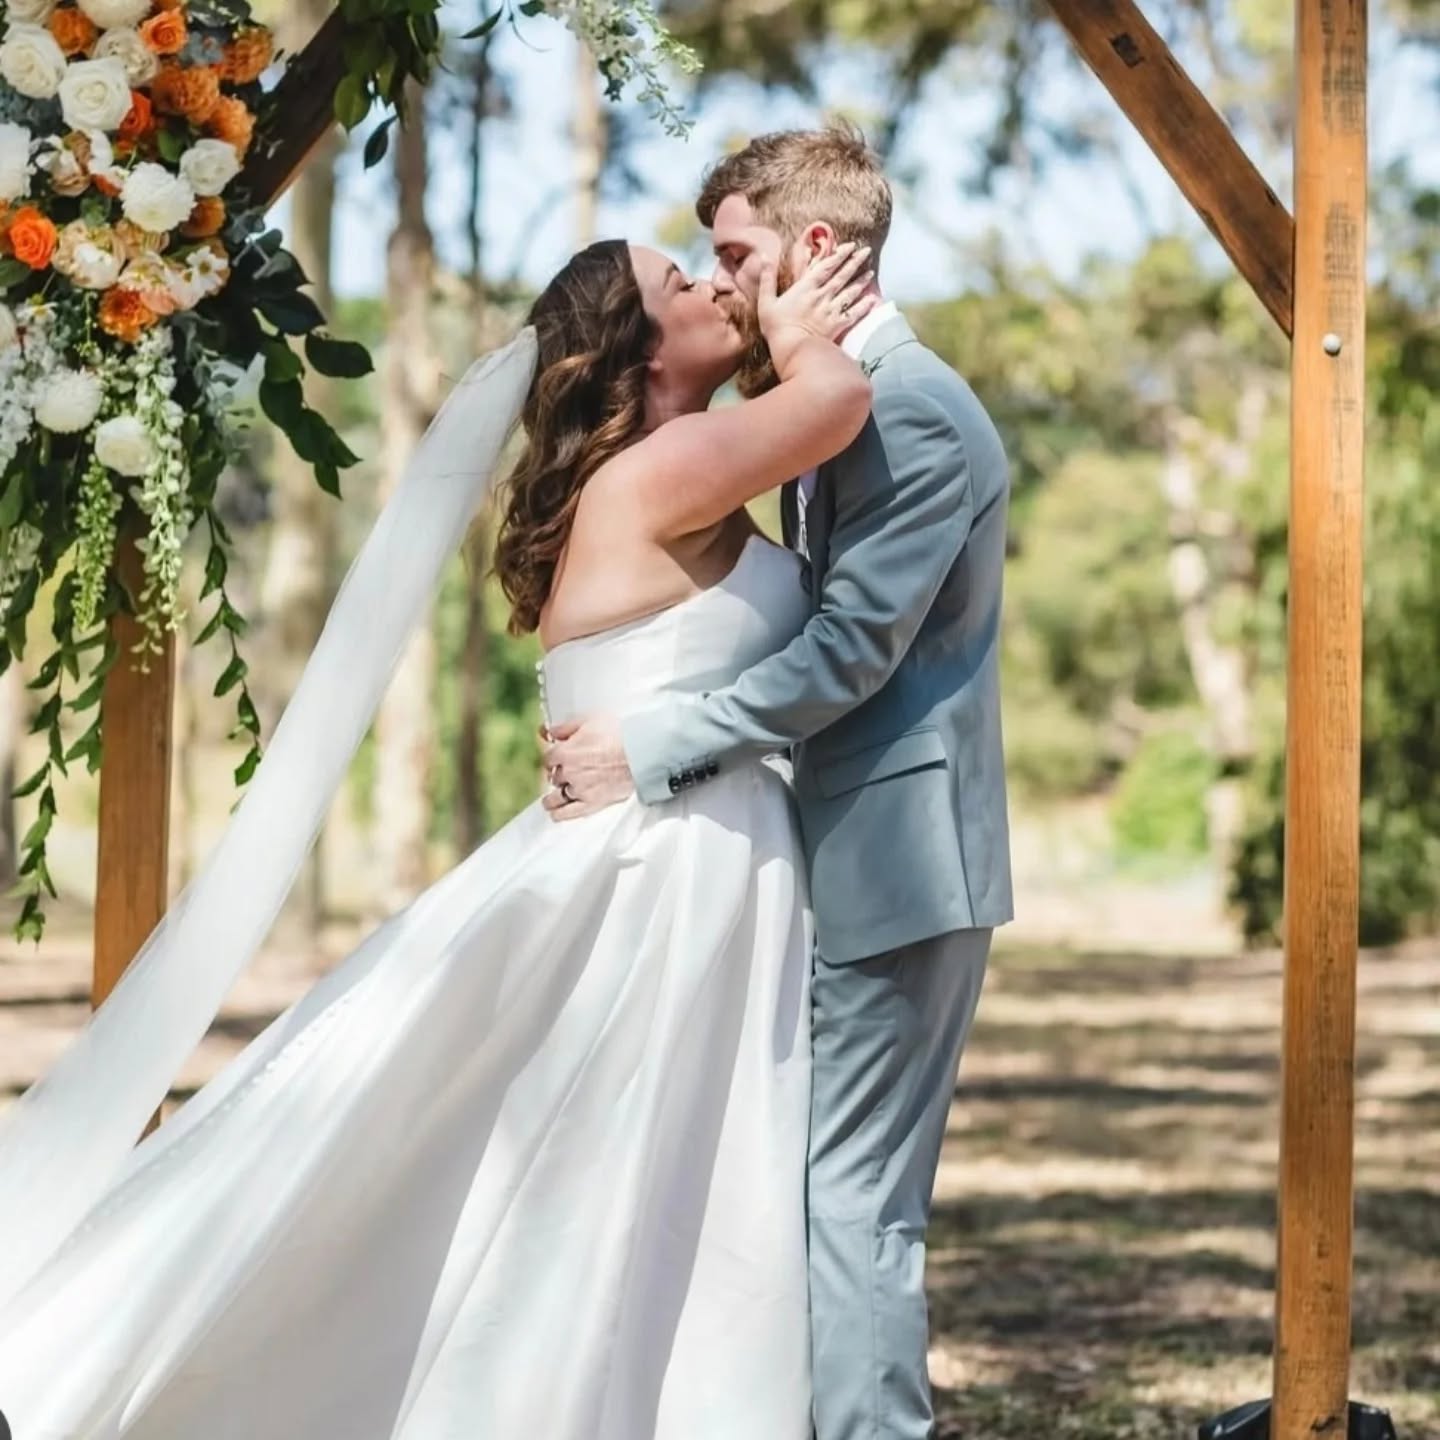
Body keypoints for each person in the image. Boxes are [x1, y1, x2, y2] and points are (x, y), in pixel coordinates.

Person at [0, 231, 874, 1437]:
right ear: (634, 347)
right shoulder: (663, 468)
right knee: (603, 1182)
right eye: (686, 282)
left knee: (625, 1185)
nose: (722, 286)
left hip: (686, 847)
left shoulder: (670, 460)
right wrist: (807, 333)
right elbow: (838, 400)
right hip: (662, 870)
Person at [543, 125, 1014, 1440]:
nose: (725, 279)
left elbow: (851, 651)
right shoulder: (834, 401)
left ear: (815, 248)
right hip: (844, 849)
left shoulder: (905, 407)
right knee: (829, 1200)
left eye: (735, 253)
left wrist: (650, 742)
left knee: (857, 1206)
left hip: (899, 856)